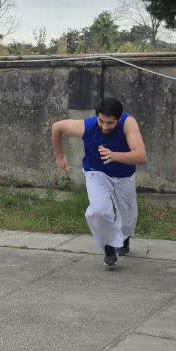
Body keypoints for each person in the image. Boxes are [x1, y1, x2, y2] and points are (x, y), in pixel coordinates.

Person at [52, 97, 148, 269]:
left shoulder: (128, 124)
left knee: (128, 216)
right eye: (101, 121)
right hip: (96, 172)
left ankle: (123, 238)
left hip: (124, 174)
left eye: (110, 123)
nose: (104, 126)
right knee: (98, 210)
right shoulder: (87, 127)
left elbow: (141, 156)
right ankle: (109, 246)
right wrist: (59, 156)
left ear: (119, 119)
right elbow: (57, 127)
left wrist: (114, 155)